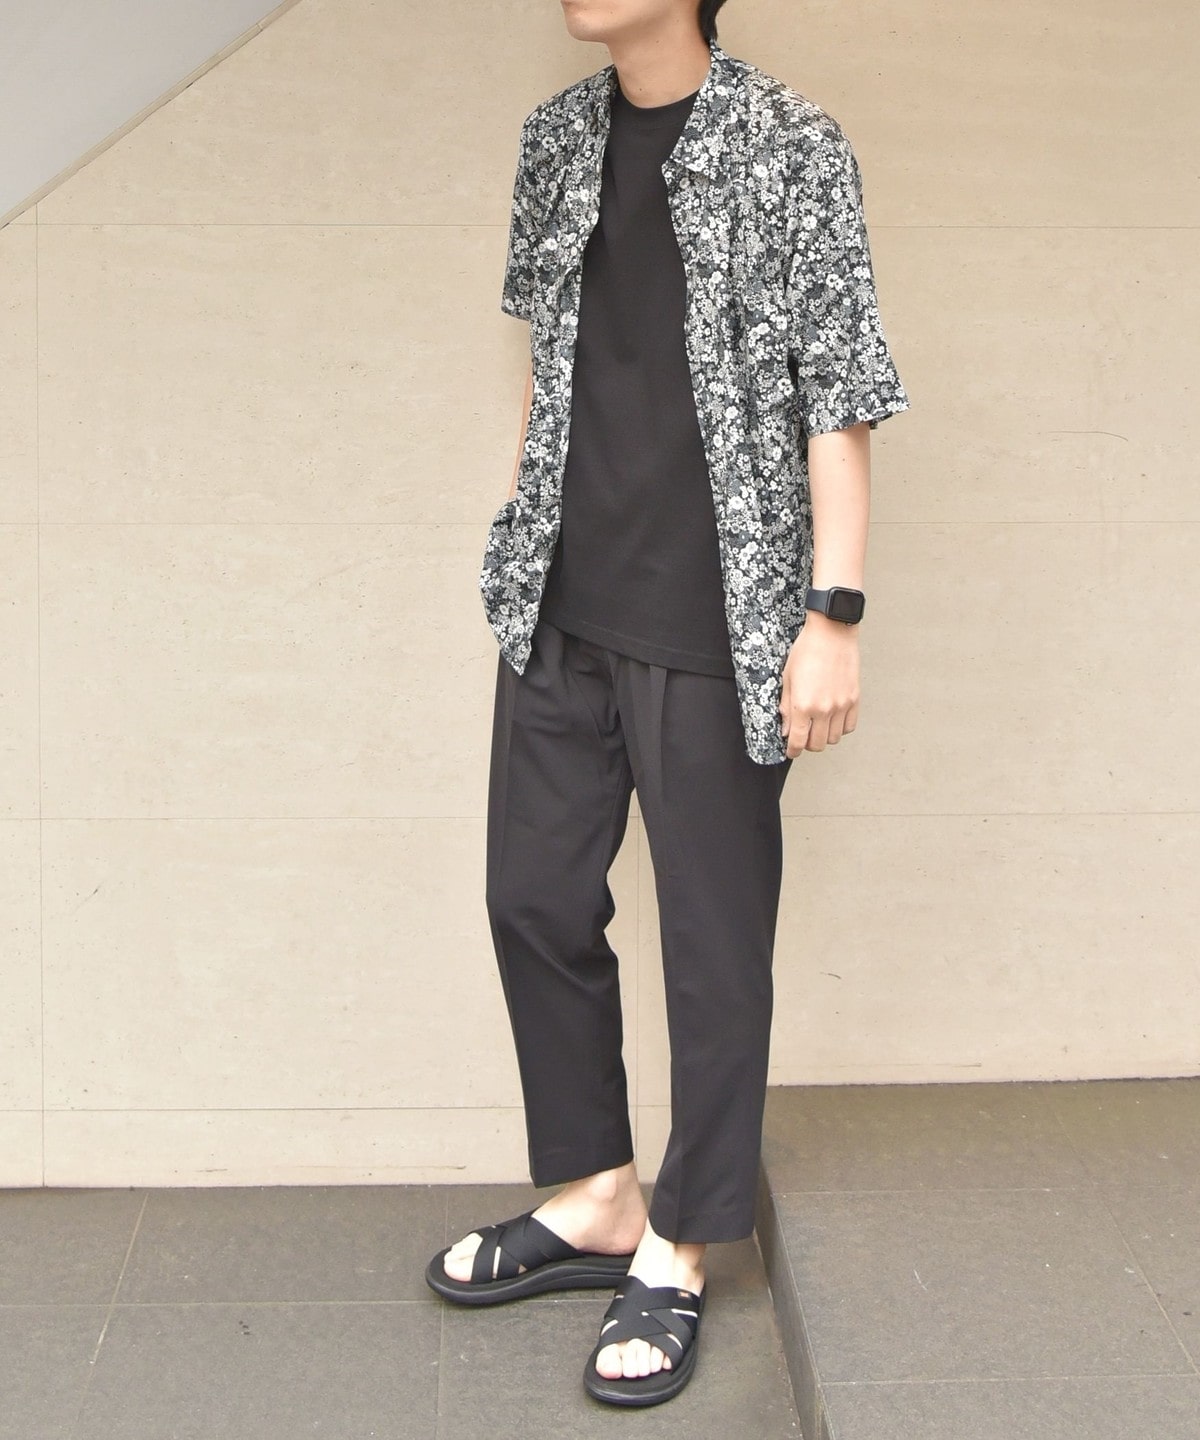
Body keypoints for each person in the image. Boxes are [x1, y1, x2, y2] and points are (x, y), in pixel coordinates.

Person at [425, 0, 910, 1407]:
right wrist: (520, 526)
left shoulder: (793, 144)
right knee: (532, 896)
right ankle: (595, 1194)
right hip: (562, 603)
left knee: (711, 947)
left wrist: (833, 614)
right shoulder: (556, 140)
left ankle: (686, 1242)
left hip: (716, 618)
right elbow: (550, 360)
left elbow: (839, 393)